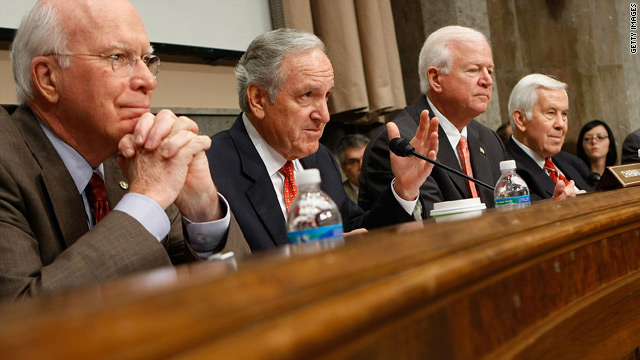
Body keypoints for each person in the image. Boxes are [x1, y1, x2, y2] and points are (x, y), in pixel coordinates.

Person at [0, 0, 248, 300]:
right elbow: (19, 318)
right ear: (48, 78)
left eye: (147, 59)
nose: (148, 80)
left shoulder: (136, 156)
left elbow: (234, 293)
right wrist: (148, 200)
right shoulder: (7, 159)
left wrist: (202, 209)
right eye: (117, 57)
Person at [206, 28, 439, 251]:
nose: (325, 116)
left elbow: (355, 232)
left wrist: (403, 190)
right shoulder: (211, 168)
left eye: (326, 96)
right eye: (307, 95)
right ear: (258, 99)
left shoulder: (320, 158)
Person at [359, 25, 507, 216]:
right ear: (435, 78)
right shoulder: (401, 143)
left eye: (490, 71)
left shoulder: (489, 140)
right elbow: (427, 221)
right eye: (473, 70)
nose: (487, 81)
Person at [505, 74, 593, 200]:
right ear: (520, 119)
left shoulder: (574, 164)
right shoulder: (507, 174)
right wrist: (556, 207)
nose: (561, 124)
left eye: (564, 114)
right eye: (550, 113)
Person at [337, 134, 369, 203]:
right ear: (344, 169)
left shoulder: (389, 187)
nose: (362, 166)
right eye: (354, 162)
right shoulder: (338, 197)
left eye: (366, 158)